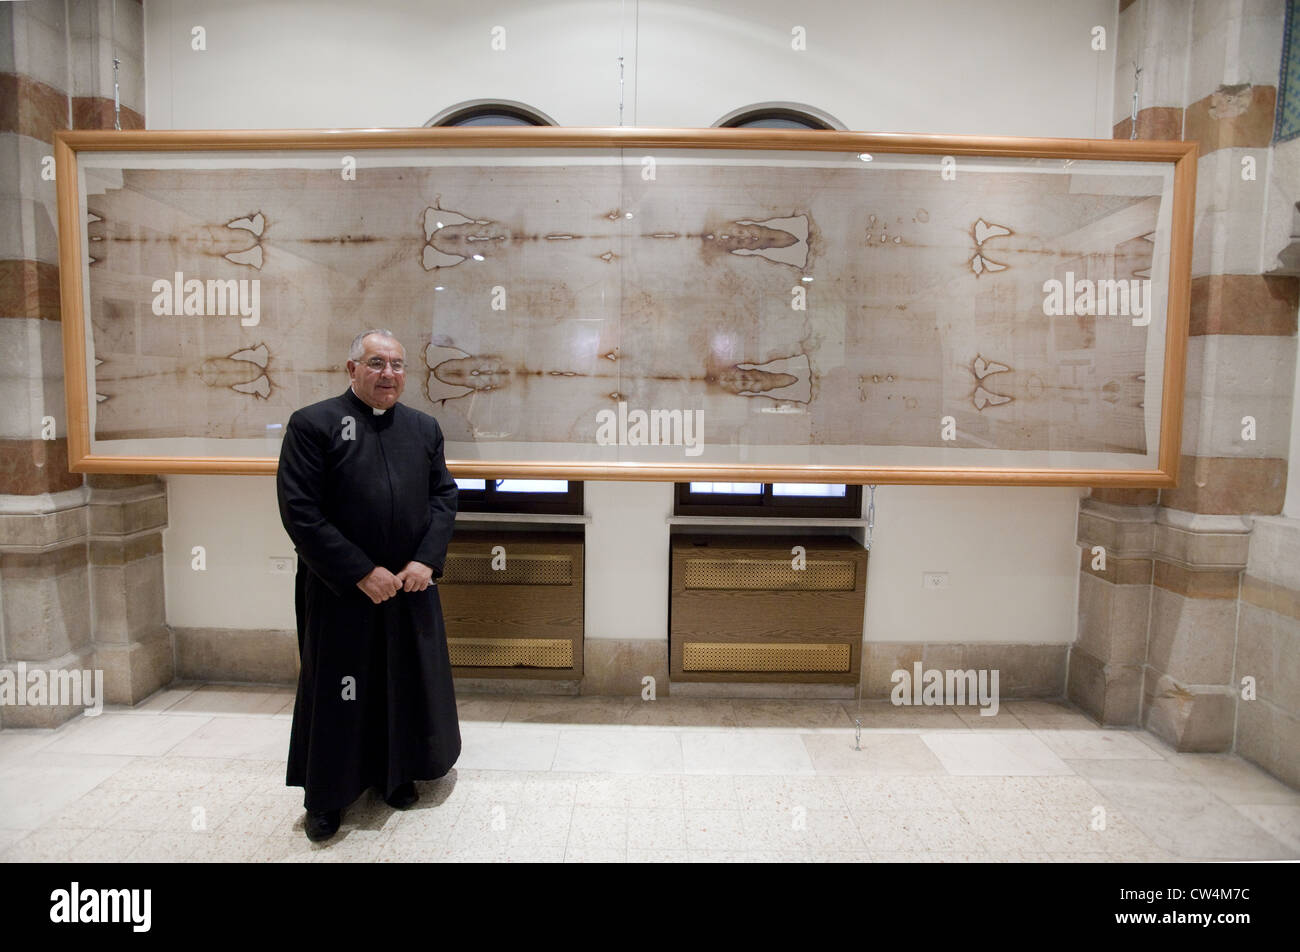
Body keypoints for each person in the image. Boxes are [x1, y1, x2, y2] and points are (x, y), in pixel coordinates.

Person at [276, 329, 461, 842]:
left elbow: (444, 498)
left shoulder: (423, 429)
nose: (389, 374)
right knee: (340, 689)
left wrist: (425, 561)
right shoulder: (313, 425)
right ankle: (328, 797)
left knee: (404, 680)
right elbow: (301, 512)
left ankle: (396, 776)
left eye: (398, 365)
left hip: (409, 586)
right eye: (376, 363)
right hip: (341, 590)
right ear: (351, 368)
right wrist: (359, 570)